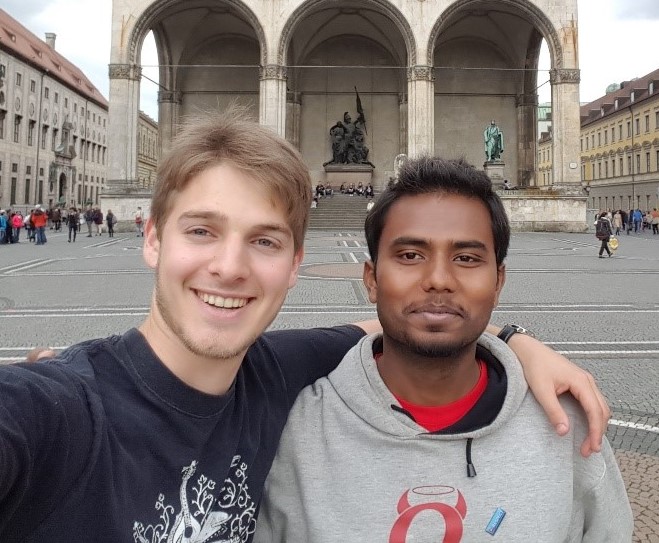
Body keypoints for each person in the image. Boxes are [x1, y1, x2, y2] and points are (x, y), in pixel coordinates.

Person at [0, 113, 609, 543]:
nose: (230, 266)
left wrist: (511, 340)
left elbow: (412, 317)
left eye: (263, 241)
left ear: (293, 264)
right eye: (202, 230)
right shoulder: (56, 409)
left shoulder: (273, 375)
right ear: (152, 238)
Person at [255, 157, 632, 542]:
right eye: (410, 256)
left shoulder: (572, 428)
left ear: (498, 282)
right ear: (371, 279)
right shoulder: (293, 430)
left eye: (466, 258)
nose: (438, 280)